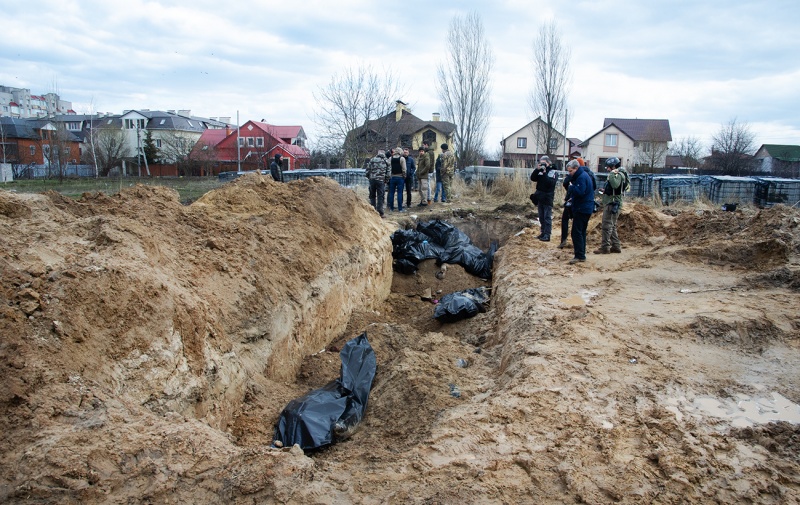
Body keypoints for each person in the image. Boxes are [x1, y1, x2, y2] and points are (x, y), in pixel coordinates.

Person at [594, 157, 630, 254]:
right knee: (612, 225)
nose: (607, 169)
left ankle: (605, 247)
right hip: (612, 201)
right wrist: (606, 191)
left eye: (608, 167)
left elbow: (615, 185)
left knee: (606, 225)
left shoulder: (618, 174)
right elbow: (615, 189)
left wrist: (612, 174)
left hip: (612, 203)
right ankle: (616, 246)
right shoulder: (618, 174)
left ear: (613, 166)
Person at [564, 159, 595, 264]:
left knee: (576, 232)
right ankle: (581, 254)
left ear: (576, 168)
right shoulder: (583, 175)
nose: (569, 173)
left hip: (582, 209)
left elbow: (580, 192)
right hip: (585, 207)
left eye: (570, 171)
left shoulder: (581, 177)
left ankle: (580, 255)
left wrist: (571, 188)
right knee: (581, 232)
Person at [530, 155, 557, 242]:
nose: (542, 165)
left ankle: (547, 234)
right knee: (541, 217)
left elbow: (550, 183)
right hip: (540, 196)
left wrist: (544, 172)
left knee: (547, 217)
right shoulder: (540, 171)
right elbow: (533, 178)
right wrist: (537, 169)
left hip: (547, 197)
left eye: (543, 163)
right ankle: (542, 232)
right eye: (540, 163)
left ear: (548, 163)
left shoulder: (553, 172)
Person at [364, 149, 390, 217]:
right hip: (381, 181)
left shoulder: (372, 159)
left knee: (372, 195)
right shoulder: (386, 161)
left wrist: (369, 177)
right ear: (384, 154)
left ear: (378, 153)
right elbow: (388, 173)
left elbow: (367, 170)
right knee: (380, 196)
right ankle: (380, 212)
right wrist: (386, 180)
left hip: (372, 180)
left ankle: (372, 211)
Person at [387, 147, 407, 212]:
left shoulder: (390, 158)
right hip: (400, 178)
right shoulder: (402, 159)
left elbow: (389, 168)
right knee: (399, 193)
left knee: (391, 193)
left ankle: (391, 208)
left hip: (392, 178)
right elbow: (404, 169)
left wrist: (389, 176)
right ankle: (400, 208)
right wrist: (404, 176)